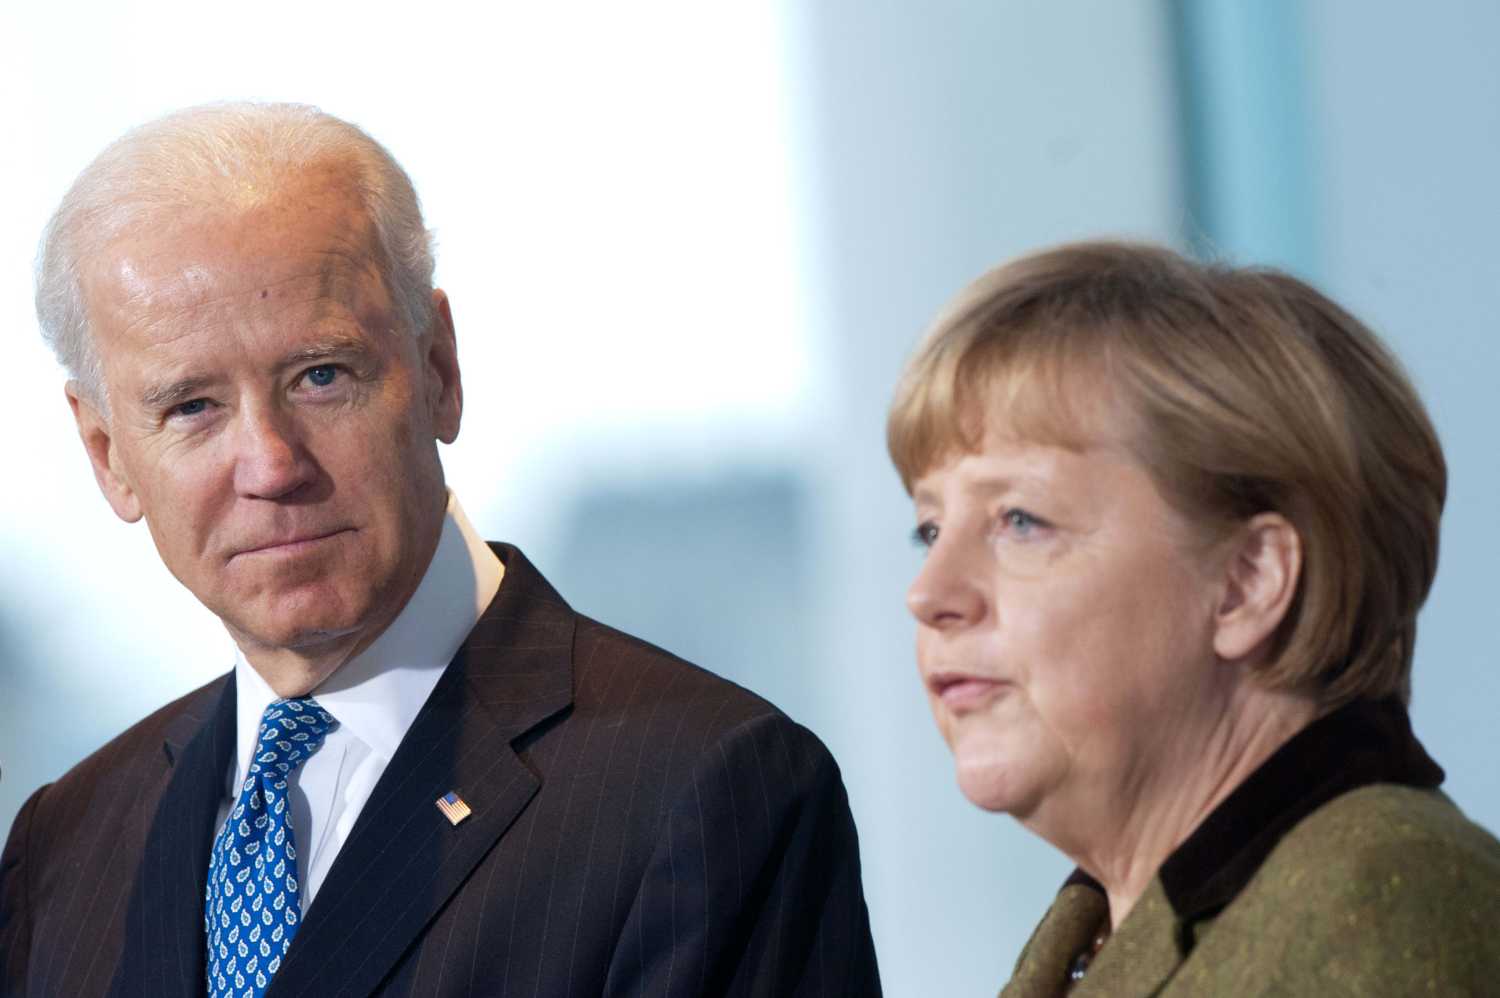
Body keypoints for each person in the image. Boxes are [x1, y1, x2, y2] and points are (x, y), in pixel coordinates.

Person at [0, 102, 880, 998]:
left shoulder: (709, 791)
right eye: (192, 407)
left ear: (439, 372)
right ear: (109, 455)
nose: (270, 464)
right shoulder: (61, 847)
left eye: (320, 376)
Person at [887, 241, 1500, 997]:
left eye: (1020, 519)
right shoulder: (1097, 931)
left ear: (1246, 583)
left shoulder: (1387, 903)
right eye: (930, 529)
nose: (929, 592)